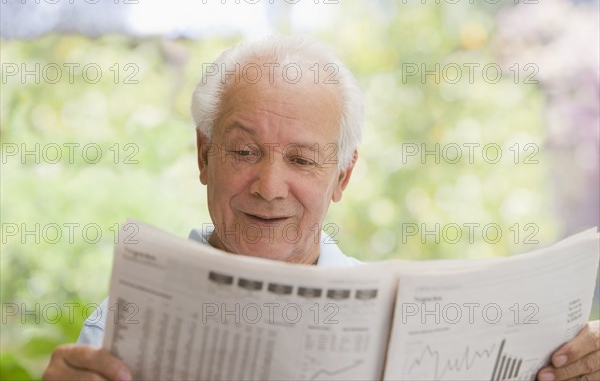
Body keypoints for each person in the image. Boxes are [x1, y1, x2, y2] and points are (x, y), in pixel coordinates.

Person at [43, 35, 599, 381]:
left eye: (303, 160)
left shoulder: (402, 318)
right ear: (204, 155)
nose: (269, 185)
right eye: (244, 151)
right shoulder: (120, 325)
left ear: (342, 176)